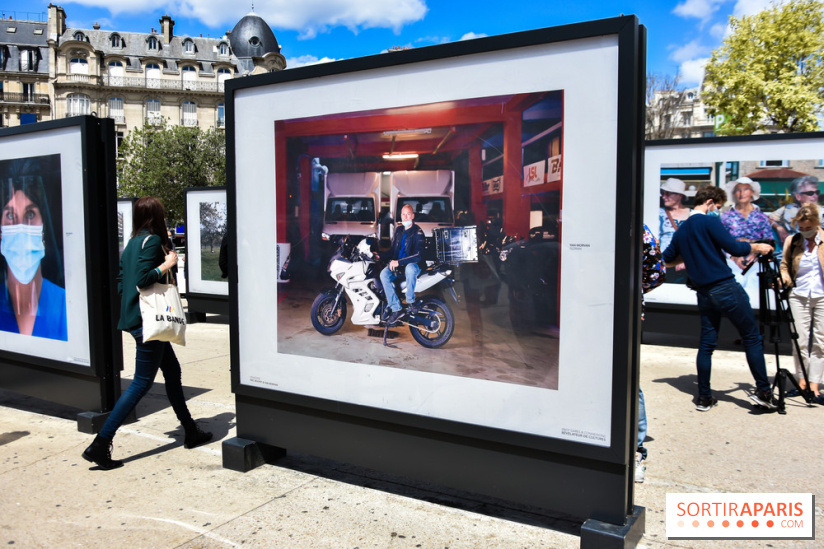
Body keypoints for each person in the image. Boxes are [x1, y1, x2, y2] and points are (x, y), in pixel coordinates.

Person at [82, 196, 212, 470]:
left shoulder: (131, 243)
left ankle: (190, 430)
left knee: (173, 372)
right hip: (148, 322)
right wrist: (168, 264)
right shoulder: (152, 241)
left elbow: (122, 281)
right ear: (156, 215)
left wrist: (131, 302)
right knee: (141, 383)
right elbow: (142, 279)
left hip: (136, 318)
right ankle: (100, 443)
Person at [661, 185, 776, 412]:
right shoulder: (709, 221)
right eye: (718, 207)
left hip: (703, 293)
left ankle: (704, 397)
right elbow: (734, 247)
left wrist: (691, 255)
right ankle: (764, 392)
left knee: (707, 344)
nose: (719, 211)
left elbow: (667, 260)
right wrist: (758, 246)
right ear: (710, 202)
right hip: (724, 287)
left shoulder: (682, 230)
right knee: (752, 337)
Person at [0, 172, 67, 341]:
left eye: (30, 215)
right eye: (10, 215)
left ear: (44, 227)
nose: (21, 227)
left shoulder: (65, 303)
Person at [779, 203, 824, 405]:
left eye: (809, 228)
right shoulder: (793, 240)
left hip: (822, 296)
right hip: (798, 295)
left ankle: (815, 385)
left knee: (821, 342)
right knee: (800, 341)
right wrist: (784, 279)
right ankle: (802, 382)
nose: (805, 231)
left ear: (817, 224)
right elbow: (785, 266)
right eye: (802, 228)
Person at [637, 224, 666, 483]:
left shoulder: (637, 226)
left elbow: (656, 271)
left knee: (626, 377)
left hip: (626, 307)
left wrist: (633, 289)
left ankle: (635, 450)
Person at [721, 177, 772, 295]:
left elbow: (768, 241)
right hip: (731, 260)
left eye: (746, 189)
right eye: (738, 190)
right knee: (736, 282)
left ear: (752, 192)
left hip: (756, 261)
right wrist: (733, 257)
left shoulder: (761, 217)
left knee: (753, 282)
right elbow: (720, 241)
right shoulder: (726, 216)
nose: (742, 193)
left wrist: (754, 256)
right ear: (734, 193)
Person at [380, 204, 425, 325]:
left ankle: (411, 301)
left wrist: (398, 262)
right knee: (383, 274)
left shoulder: (418, 232)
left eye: (408, 214)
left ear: (413, 215)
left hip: (413, 265)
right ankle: (396, 308)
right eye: (403, 214)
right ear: (401, 216)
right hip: (399, 266)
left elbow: (418, 255)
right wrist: (380, 255)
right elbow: (393, 251)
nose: (405, 217)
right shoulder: (399, 230)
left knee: (410, 269)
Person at [769, 175, 822, 247]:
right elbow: (767, 218)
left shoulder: (822, 212)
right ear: (798, 196)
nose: (815, 196)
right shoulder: (789, 208)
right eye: (810, 193)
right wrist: (778, 227)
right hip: (791, 250)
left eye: (817, 192)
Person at [658, 178, 694, 284]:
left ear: (679, 195)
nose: (664, 197)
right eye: (663, 193)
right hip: (664, 265)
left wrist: (685, 260)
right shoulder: (658, 214)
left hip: (687, 267)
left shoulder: (693, 215)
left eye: (668, 194)